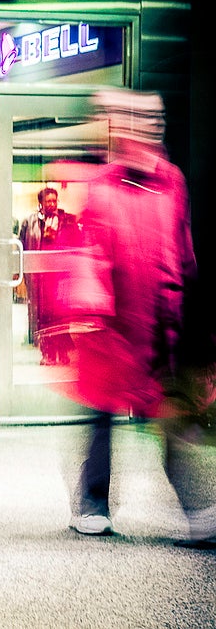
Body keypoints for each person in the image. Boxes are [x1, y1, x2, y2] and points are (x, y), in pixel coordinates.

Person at [60, 89, 208, 543]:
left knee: (173, 421)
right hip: (111, 331)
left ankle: (196, 507)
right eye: (130, 118)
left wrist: (190, 321)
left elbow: (181, 252)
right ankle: (92, 503)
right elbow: (88, 250)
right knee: (100, 420)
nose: (142, 126)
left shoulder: (172, 182)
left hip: (161, 326)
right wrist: (88, 291)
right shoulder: (100, 185)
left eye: (150, 118)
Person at [19, 186, 81, 365]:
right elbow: (22, 245)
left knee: (61, 317)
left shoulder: (67, 220)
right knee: (43, 318)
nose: (52, 204)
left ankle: (62, 353)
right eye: (48, 201)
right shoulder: (30, 221)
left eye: (54, 200)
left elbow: (76, 243)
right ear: (41, 203)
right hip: (39, 278)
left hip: (61, 277)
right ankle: (48, 354)